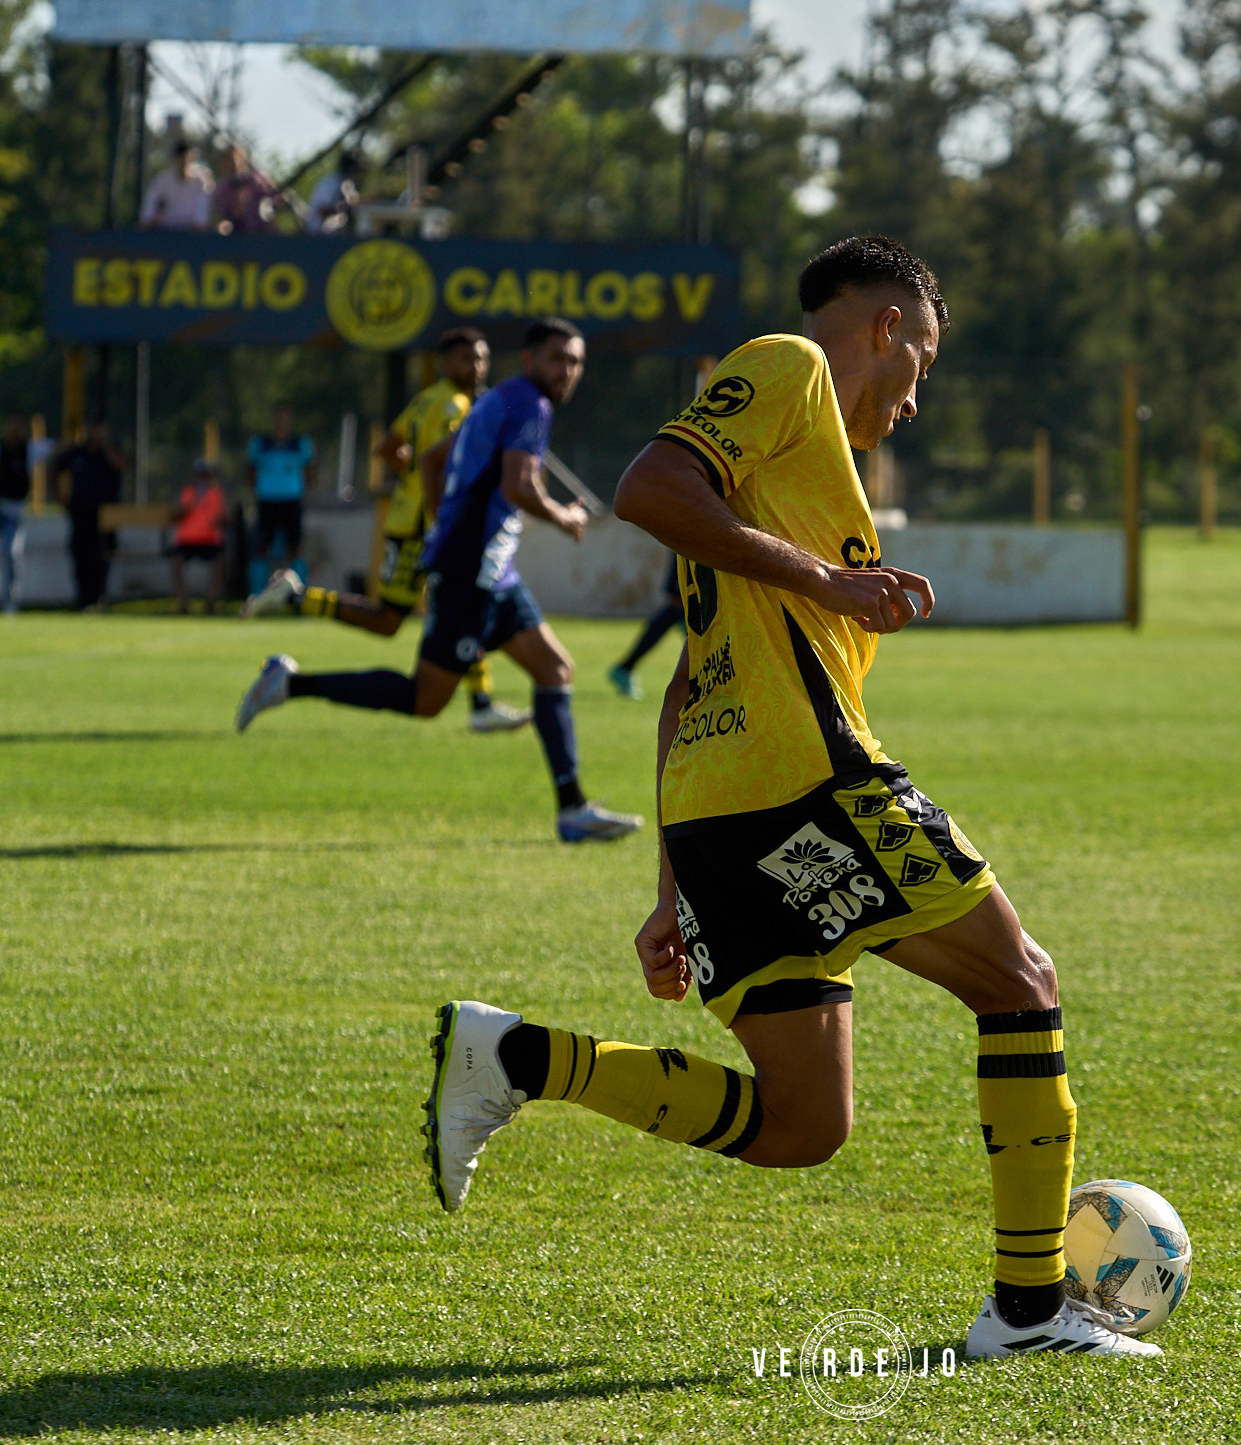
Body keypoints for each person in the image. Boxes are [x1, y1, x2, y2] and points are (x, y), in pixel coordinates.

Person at [417, 237, 1160, 1360]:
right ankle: (1026, 1312)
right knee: (1021, 981)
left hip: (725, 809)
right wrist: (830, 579)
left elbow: (687, 686)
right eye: (923, 360)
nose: (916, 396)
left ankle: (515, 1058)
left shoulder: (789, 474)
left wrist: (670, 886)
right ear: (888, 326)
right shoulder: (791, 365)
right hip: (810, 777)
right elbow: (645, 486)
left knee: (802, 1123)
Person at [234, 318, 643, 846]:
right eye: (557, 358)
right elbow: (519, 486)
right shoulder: (529, 406)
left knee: (554, 668)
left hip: (491, 572)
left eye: (576, 361)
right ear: (528, 360)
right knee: (425, 699)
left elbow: (431, 461)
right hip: (471, 573)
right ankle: (287, 684)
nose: (567, 370)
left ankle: (573, 809)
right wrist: (564, 517)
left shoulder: (495, 401)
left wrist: (442, 523)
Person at [242, 329, 528, 733]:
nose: (477, 366)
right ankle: (480, 703)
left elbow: (388, 448)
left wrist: (411, 472)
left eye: (482, 358)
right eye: (467, 358)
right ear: (445, 363)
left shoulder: (425, 399)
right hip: (427, 527)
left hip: (411, 520)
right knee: (435, 609)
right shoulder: (456, 405)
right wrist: (438, 502)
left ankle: (297, 599)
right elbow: (444, 462)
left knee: (403, 617)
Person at [0, 415, 47, 614]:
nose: (14, 430)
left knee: (11, 553)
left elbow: (55, 447)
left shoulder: (29, 449)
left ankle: (10, 602)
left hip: (13, 512)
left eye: (18, 426)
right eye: (11, 425)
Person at [51, 418, 126, 611]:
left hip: (106, 515)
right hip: (81, 513)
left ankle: (100, 598)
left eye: (98, 427)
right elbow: (55, 469)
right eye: (91, 427)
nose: (94, 431)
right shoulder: (76, 452)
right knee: (81, 555)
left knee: (102, 556)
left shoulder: (110, 450)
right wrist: (60, 498)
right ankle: (83, 600)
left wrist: (105, 446)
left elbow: (121, 465)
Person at [245, 406, 314, 596]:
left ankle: (299, 594)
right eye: (277, 418)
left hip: (292, 501)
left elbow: (309, 470)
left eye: (284, 418)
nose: (280, 422)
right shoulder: (260, 443)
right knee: (262, 547)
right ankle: (256, 595)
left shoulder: (300, 443)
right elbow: (250, 470)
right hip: (267, 501)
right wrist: (260, 489)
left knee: (295, 548)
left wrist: (301, 489)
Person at [607, 556, 685, 700]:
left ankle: (626, 667)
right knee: (678, 606)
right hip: (691, 553)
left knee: (678, 612)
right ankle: (626, 667)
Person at [171, 457, 229, 615]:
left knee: (220, 563)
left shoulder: (216, 493)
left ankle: (211, 603)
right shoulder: (187, 492)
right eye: (200, 474)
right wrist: (186, 508)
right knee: (176, 562)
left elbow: (226, 517)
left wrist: (220, 519)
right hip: (187, 540)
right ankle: (183, 602)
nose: (202, 478)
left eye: (205, 474)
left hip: (209, 540)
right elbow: (173, 515)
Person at [139, 141, 215, 231]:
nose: (183, 162)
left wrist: (198, 224)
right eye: (179, 158)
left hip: (192, 235)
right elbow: (148, 213)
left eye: (186, 158)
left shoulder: (202, 180)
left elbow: (202, 218)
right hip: (164, 232)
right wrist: (151, 219)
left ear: (192, 158)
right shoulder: (162, 180)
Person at [215, 146, 281, 235]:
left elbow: (276, 198)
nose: (233, 163)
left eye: (236, 158)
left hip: (261, 233)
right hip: (235, 235)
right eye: (229, 159)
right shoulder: (223, 186)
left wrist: (267, 211)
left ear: (244, 159)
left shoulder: (258, 178)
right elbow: (222, 216)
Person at [308, 152, 360, 233]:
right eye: (355, 169)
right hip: (318, 231)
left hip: (336, 230)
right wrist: (343, 208)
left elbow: (354, 202)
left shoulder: (348, 183)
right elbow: (322, 210)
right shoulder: (331, 182)